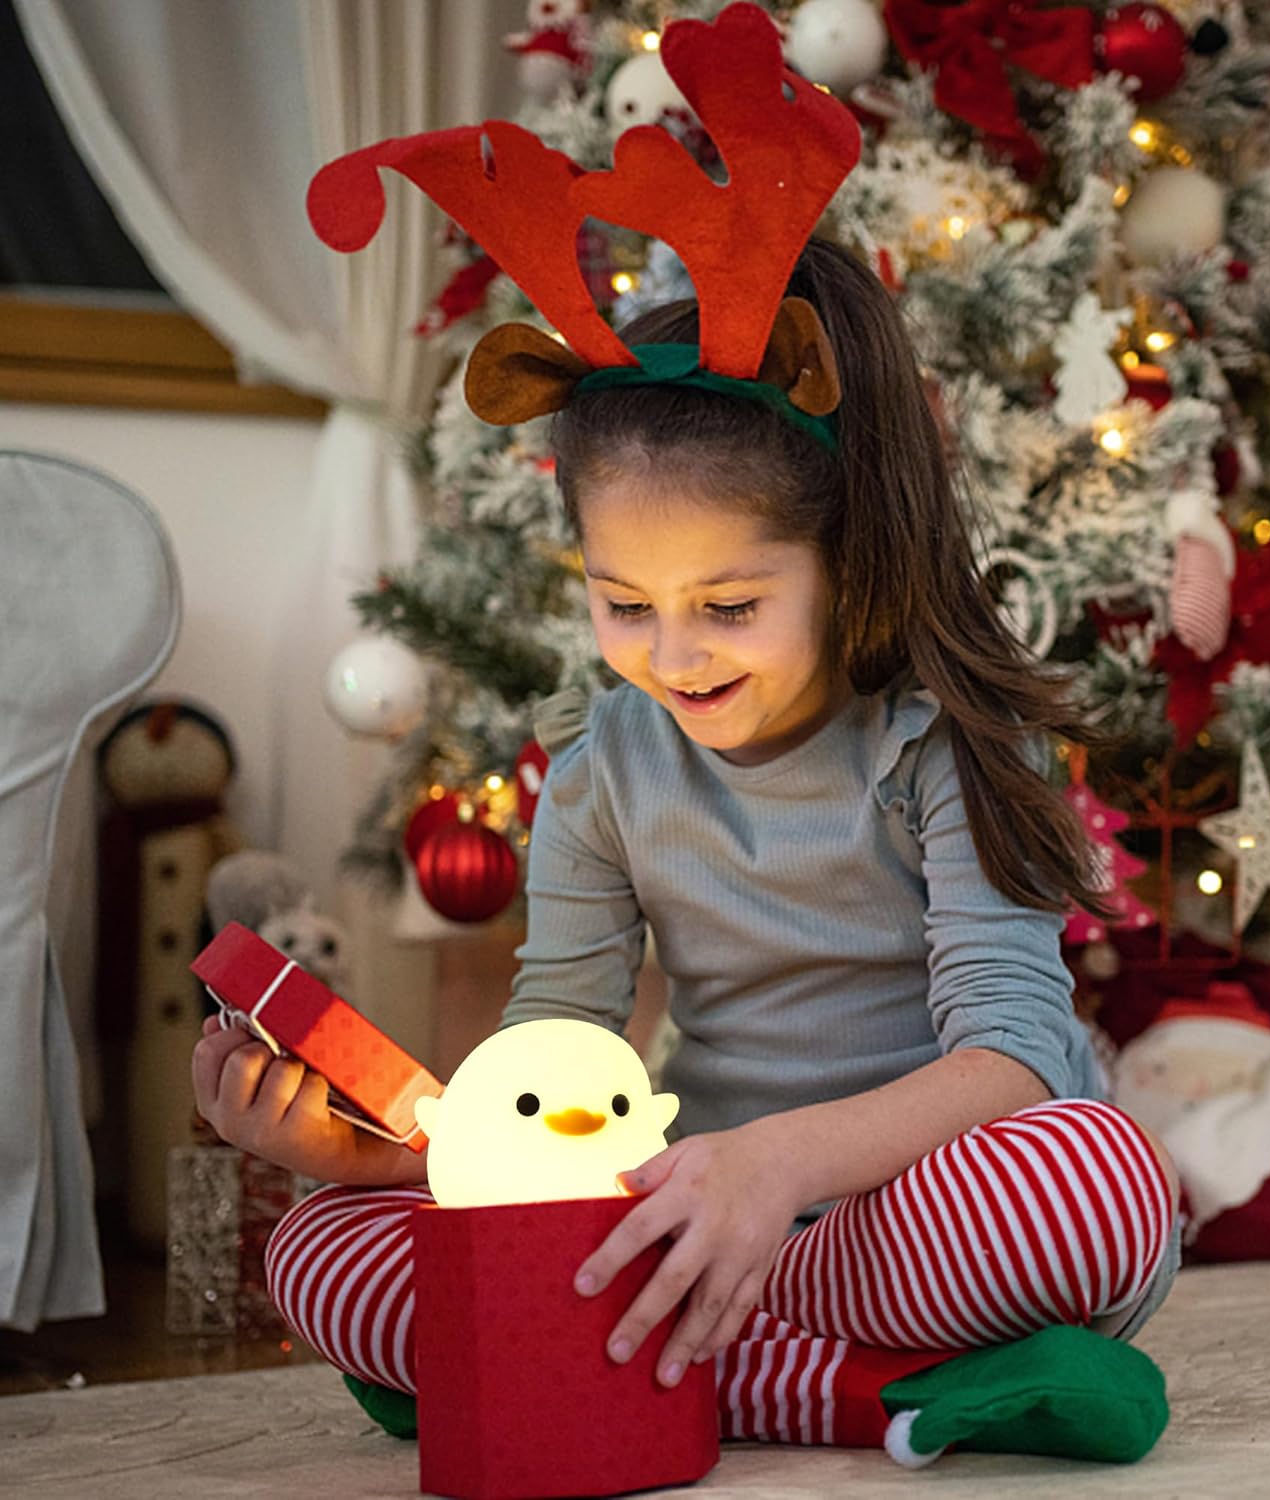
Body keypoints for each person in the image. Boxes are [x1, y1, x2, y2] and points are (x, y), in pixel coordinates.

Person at [191, 236, 1180, 1459]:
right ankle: (850, 1390)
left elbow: (1015, 1059)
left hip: (915, 1225)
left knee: (1090, 1187)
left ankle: (659, 1358)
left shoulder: (948, 741)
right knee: (318, 1252)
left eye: (728, 607)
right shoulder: (603, 766)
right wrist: (369, 1156)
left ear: (853, 557)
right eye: (623, 604)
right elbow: (553, 1060)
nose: (671, 657)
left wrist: (771, 1171)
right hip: (692, 1210)